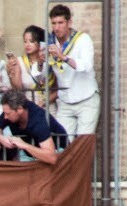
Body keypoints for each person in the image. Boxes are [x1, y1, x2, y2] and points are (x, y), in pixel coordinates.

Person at [42, 4, 96, 135]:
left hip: (86, 99)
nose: (57, 27)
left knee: (83, 145)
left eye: (60, 23)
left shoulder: (82, 39)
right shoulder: (49, 42)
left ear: (69, 22)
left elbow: (86, 66)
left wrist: (63, 57)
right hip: (65, 101)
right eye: (54, 23)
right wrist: (40, 62)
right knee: (63, 144)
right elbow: (43, 76)